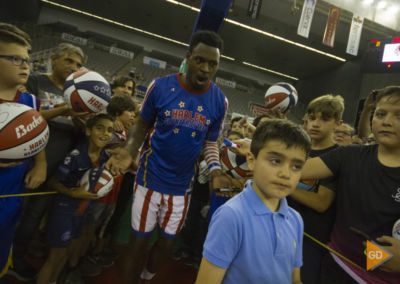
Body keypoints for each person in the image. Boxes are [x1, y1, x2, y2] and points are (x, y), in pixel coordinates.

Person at [107, 30, 229, 284]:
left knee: (166, 246)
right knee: (138, 242)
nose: (205, 68)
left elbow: (210, 142)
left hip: (183, 186)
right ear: (189, 57)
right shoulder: (160, 86)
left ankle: (146, 277)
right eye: (200, 60)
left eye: (213, 64)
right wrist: (130, 151)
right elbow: (141, 125)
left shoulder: (220, 100)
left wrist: (216, 168)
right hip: (149, 178)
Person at [299, 86, 400, 283]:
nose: (387, 122)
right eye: (380, 114)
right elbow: (294, 170)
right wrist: (260, 154)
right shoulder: (350, 155)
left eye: (399, 116)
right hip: (337, 265)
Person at [195, 119, 311, 284]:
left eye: (296, 166)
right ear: (251, 160)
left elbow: (295, 279)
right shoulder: (231, 216)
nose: (286, 173)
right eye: (275, 161)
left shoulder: (295, 219)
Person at [10, 42, 86, 280]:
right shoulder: (35, 80)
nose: (73, 67)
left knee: (32, 220)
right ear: (53, 59)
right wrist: (61, 111)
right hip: (25, 162)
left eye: (78, 64)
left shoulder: (76, 94)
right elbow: (22, 115)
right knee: (11, 213)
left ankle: (17, 260)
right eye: (69, 61)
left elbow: (78, 136)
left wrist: (79, 121)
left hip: (54, 170)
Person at [36, 113, 114, 284]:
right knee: (55, 257)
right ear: (88, 131)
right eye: (100, 128)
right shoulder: (76, 155)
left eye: (110, 130)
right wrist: (72, 193)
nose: (105, 133)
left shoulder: (105, 157)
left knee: (65, 255)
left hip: (83, 210)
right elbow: (52, 182)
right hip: (65, 209)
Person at [0, 22, 47, 280]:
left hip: (11, 198)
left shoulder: (30, 101)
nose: (25, 65)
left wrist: (40, 163)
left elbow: (36, 134)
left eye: (27, 59)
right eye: (15, 58)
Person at [288, 94, 344, 284]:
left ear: (338, 123)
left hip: (312, 238)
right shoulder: (297, 149)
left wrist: (283, 186)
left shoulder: (337, 157)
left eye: (325, 119)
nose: (316, 124)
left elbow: (321, 203)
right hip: (283, 226)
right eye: (312, 118)